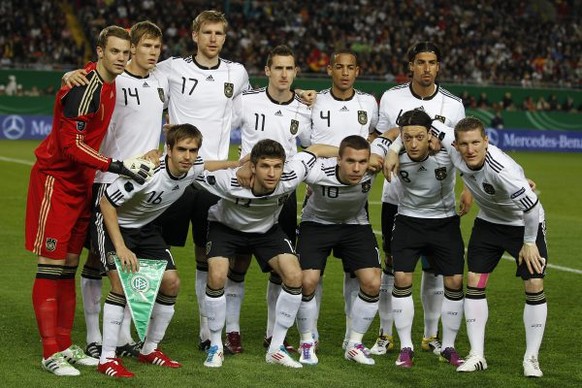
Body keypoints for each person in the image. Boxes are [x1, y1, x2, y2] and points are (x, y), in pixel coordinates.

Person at [25, 25, 150, 377]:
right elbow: (71, 146)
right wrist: (117, 165)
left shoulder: (108, 83)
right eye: (115, 52)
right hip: (57, 180)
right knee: (51, 265)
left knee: (66, 267)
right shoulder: (85, 90)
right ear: (100, 52)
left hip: (80, 183)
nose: (122, 58)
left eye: (126, 52)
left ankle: (65, 344)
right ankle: (50, 351)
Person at [93, 124, 240, 377]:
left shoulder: (192, 167)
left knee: (171, 283)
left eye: (193, 150)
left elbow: (207, 166)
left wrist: (237, 163)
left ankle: (149, 349)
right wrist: (121, 247)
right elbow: (106, 203)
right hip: (113, 223)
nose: (187, 156)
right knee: (120, 285)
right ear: (168, 150)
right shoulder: (147, 172)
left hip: (146, 228)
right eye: (181, 149)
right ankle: (107, 358)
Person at [64, 20, 169, 359]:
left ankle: (122, 334)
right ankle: (95, 334)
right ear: (131, 48)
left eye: (157, 47)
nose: (152, 53)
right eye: (146, 46)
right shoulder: (115, 78)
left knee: (130, 261)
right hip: (106, 180)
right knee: (98, 260)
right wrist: (68, 75)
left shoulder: (161, 81)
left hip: (141, 188)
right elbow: (81, 84)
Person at [153, 10, 251, 352]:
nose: (213, 38)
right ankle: (144, 332)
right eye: (207, 32)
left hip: (215, 182)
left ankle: (207, 333)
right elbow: (134, 78)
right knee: (156, 256)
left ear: (225, 37)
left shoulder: (236, 73)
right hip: (176, 180)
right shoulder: (171, 68)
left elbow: (250, 110)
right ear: (194, 35)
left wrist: (301, 97)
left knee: (207, 258)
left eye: (219, 33)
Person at [197, 139, 336, 368]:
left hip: (266, 231)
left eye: (277, 166)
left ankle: (276, 348)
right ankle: (215, 345)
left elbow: (315, 150)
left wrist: (352, 152)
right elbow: (194, 167)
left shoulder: (290, 176)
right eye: (264, 166)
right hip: (226, 229)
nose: (272, 173)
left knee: (294, 276)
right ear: (253, 166)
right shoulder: (228, 180)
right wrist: (234, 164)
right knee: (218, 275)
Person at [429, 117, 547, 377]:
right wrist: (403, 147)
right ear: (456, 144)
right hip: (489, 223)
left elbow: (531, 206)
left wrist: (529, 243)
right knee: (474, 280)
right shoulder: (450, 141)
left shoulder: (501, 169)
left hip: (523, 223)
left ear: (486, 141)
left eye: (475, 143)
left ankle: (531, 359)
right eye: (464, 144)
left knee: (534, 284)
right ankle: (477, 355)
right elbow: (427, 121)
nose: (470, 150)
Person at [371, 41, 467, 357]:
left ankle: (430, 335)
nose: (426, 68)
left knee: (435, 268)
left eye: (432, 62)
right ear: (411, 64)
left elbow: (463, 148)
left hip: (436, 204)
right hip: (395, 197)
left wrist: (466, 187)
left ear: (438, 66)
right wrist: (391, 152)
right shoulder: (391, 98)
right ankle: (386, 334)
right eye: (420, 62)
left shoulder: (453, 104)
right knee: (392, 265)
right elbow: (382, 137)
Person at [231, 44, 312, 354]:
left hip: (283, 197)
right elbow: (220, 129)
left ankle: (271, 332)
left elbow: (312, 146)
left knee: (281, 268)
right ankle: (233, 332)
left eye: (289, 68)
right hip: (246, 193)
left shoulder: (304, 110)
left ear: (295, 72)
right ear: (267, 71)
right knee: (239, 264)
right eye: (277, 68)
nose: (283, 74)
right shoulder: (246, 101)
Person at [381, 109, 466, 368]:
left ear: (430, 134)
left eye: (419, 137)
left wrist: (469, 188)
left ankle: (448, 346)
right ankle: (406, 347)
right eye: (407, 138)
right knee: (402, 277)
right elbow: (376, 147)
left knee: (454, 280)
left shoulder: (446, 150)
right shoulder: (397, 155)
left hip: (444, 222)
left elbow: (471, 152)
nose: (414, 143)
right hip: (408, 220)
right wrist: (393, 149)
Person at [308, 49, 379, 349]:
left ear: (358, 71)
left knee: (357, 271)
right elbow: (306, 146)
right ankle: (310, 333)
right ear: (330, 71)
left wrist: (372, 155)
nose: (345, 72)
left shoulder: (369, 103)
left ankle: (354, 333)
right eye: (339, 67)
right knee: (313, 274)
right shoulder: (314, 101)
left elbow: (375, 136)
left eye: (351, 67)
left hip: (356, 200)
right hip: (320, 193)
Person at [295, 135, 385, 366]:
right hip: (316, 224)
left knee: (373, 282)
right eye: (350, 161)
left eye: (362, 162)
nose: (357, 168)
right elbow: (313, 149)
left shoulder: (373, 167)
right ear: (338, 160)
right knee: (307, 281)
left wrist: (390, 154)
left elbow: (394, 135)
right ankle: (307, 342)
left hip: (355, 225)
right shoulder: (316, 172)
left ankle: (354, 344)